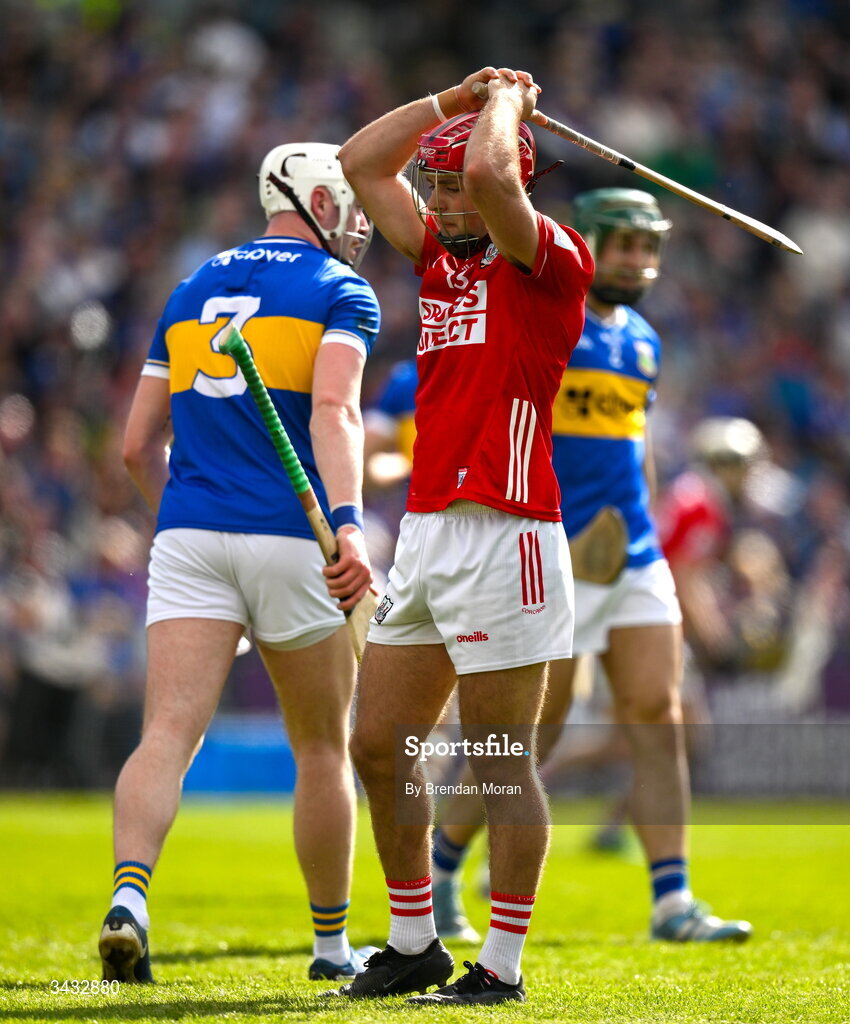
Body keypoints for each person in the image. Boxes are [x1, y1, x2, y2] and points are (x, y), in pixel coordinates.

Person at [334, 66, 594, 1005]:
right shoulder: (440, 261)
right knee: (378, 743)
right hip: (430, 534)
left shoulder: (551, 258)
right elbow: (362, 162)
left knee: (495, 758)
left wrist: (505, 106)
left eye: (451, 184)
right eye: (432, 185)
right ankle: (414, 943)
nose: (440, 199)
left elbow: (492, 180)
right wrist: (454, 97)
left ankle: (501, 965)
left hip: (510, 531)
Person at [430, 189, 753, 944]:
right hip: (548, 551)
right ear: (589, 243)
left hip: (632, 555)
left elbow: (632, 450)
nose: (637, 262)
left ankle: (672, 902)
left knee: (657, 715)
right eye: (622, 246)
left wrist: (636, 524)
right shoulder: (548, 316)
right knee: (531, 735)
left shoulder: (642, 340)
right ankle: (444, 863)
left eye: (648, 248)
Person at [98, 143, 381, 984]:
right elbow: (334, 413)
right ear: (317, 199)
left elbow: (134, 447)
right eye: (351, 199)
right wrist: (351, 527)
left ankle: (129, 899)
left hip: (188, 533)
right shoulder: (340, 290)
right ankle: (331, 948)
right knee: (322, 749)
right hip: (294, 538)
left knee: (166, 736)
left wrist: (184, 525)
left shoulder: (189, 289)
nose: (360, 218)